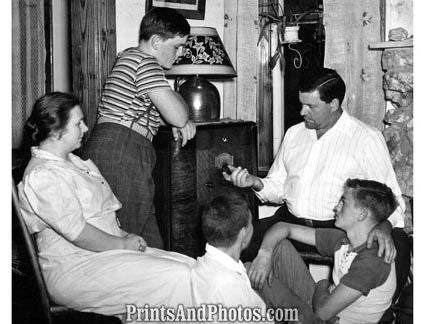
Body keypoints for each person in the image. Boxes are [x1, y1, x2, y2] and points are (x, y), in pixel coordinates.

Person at [223, 68, 409, 294]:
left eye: (311, 106)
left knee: (397, 243)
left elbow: (394, 200)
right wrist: (254, 182)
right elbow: (280, 186)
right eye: (301, 103)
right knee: (231, 240)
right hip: (289, 223)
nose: (302, 111)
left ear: (334, 104)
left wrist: (384, 225)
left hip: (337, 231)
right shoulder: (294, 134)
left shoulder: (366, 138)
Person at [18, 92, 195, 321]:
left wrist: (125, 235)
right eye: (77, 123)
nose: (85, 128)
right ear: (55, 131)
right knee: (178, 277)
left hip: (103, 256)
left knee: (190, 267)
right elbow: (78, 232)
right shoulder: (43, 175)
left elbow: (100, 216)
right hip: (76, 269)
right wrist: (122, 243)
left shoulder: (74, 163)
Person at [82, 7, 196, 249]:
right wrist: (182, 119)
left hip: (119, 146)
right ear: (156, 41)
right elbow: (177, 114)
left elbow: (159, 113)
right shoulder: (146, 63)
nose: (181, 53)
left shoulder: (130, 58)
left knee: (149, 245)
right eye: (177, 46)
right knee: (126, 243)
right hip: (124, 150)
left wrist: (177, 121)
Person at [249, 179, 398, 323]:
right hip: (322, 304)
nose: (336, 207)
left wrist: (322, 284)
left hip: (326, 318)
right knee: (279, 247)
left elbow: (322, 312)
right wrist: (264, 255)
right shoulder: (343, 240)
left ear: (362, 214)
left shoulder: (373, 260)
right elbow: (283, 227)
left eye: (343, 202)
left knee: (250, 273)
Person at [192, 192, 322, 323]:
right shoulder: (238, 291)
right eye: (251, 223)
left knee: (254, 271)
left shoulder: (198, 268)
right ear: (243, 234)